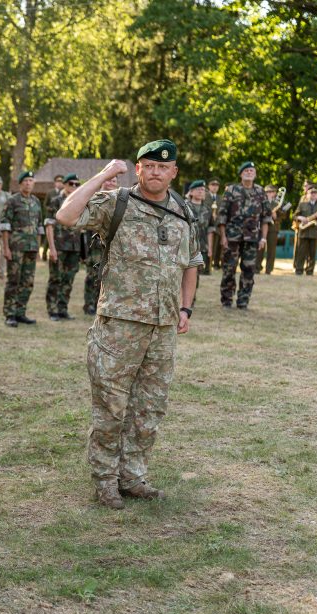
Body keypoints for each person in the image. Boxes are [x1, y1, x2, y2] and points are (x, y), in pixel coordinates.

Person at [56, 139, 202, 509]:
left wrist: (185, 310)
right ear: (138, 169)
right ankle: (105, 480)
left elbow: (191, 265)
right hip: (119, 326)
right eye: (148, 165)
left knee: (150, 408)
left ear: (174, 172)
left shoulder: (184, 212)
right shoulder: (116, 203)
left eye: (162, 166)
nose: (155, 171)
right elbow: (67, 216)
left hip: (163, 327)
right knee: (111, 406)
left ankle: (133, 476)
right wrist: (104, 175)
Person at [218, 162, 272, 309]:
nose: (249, 172)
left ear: (255, 174)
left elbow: (266, 218)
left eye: (251, 170)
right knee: (229, 269)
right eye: (246, 170)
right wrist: (223, 236)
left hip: (252, 238)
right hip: (232, 238)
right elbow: (222, 215)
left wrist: (264, 238)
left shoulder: (261, 192)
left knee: (249, 270)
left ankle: (243, 301)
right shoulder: (231, 190)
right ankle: (226, 301)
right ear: (241, 174)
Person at [1, 171, 42, 327]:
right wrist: (6, 248)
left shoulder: (36, 202)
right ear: (20, 184)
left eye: (31, 180)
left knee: (28, 281)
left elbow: (40, 227)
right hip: (16, 247)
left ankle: (20, 312)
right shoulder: (12, 201)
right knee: (14, 281)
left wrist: (38, 248)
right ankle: (9, 314)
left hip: (31, 248)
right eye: (25, 180)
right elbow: (5, 226)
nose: (28, 183)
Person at [45, 173, 82, 321]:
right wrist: (51, 248)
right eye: (71, 183)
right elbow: (49, 225)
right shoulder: (55, 201)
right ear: (65, 185)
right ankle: (52, 309)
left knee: (69, 279)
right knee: (55, 278)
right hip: (59, 246)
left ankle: (62, 309)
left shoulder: (80, 202)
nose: (74, 186)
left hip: (74, 247)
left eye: (77, 184)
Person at [81, 174, 118, 316]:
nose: (111, 183)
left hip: (111, 246)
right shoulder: (94, 198)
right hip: (95, 244)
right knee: (93, 275)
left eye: (114, 181)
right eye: (109, 180)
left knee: (107, 276)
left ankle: (100, 304)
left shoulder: (119, 201)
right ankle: (89, 304)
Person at [186, 179, 215, 298]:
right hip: (185, 245)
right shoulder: (184, 206)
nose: (201, 192)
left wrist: (210, 248)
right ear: (191, 192)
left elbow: (210, 230)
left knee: (195, 274)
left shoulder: (208, 210)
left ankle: (190, 299)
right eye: (198, 189)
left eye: (203, 190)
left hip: (200, 246)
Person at [293, 185, 317, 275]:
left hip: (315, 233)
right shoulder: (302, 204)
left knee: (312, 254)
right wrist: (300, 217)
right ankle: (299, 270)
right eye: (311, 193)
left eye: (315, 193)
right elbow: (294, 216)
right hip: (303, 231)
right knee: (301, 253)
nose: (313, 195)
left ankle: (310, 271)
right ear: (307, 194)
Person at [256, 185, 286, 274]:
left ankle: (269, 269)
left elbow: (284, 215)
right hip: (261, 227)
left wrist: (276, 216)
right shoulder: (261, 201)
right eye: (267, 192)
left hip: (273, 227)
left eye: (271, 192)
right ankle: (257, 267)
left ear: (275, 193)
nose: (269, 193)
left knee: (271, 250)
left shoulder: (279, 203)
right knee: (259, 248)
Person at [205, 179, 221, 272]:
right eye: (213, 185)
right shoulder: (205, 196)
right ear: (209, 186)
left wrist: (217, 219)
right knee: (206, 246)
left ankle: (213, 264)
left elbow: (222, 211)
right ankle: (205, 265)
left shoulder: (220, 198)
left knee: (215, 246)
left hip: (217, 225)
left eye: (216, 185)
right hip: (207, 225)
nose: (215, 187)